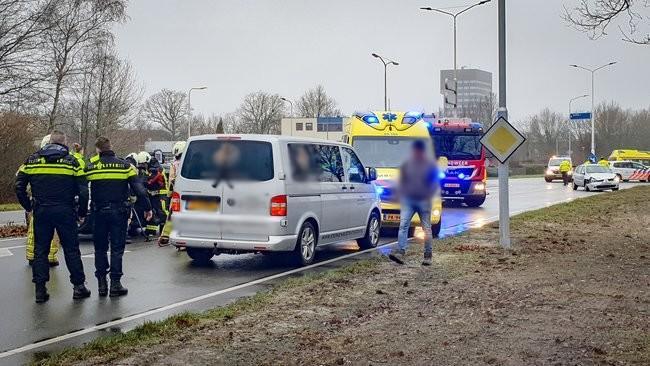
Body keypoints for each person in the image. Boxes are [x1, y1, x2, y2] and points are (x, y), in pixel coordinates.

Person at [15, 130, 91, 303]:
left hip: (41, 210)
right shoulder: (72, 162)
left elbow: (18, 186)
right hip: (65, 210)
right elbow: (83, 190)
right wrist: (81, 212)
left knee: (40, 250)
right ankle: (79, 287)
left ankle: (40, 290)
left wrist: (28, 206)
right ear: (64, 142)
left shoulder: (32, 160)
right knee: (71, 250)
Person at [85, 137, 152, 297]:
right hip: (119, 212)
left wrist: (81, 210)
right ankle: (115, 284)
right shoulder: (125, 166)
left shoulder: (91, 168)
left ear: (98, 150)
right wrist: (148, 208)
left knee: (100, 249)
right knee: (117, 248)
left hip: (98, 212)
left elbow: (80, 187)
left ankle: (102, 284)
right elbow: (139, 189)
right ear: (111, 147)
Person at [389, 140, 439, 266]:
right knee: (403, 225)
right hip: (409, 199)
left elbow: (434, 182)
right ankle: (401, 251)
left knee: (426, 228)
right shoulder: (408, 164)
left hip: (423, 200)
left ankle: (428, 255)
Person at [25, 134, 60, 267]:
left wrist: (28, 201)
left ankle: (32, 256)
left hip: (37, 202)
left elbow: (21, 180)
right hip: (55, 203)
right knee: (52, 232)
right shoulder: (60, 160)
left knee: (34, 231)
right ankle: (50, 257)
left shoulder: (33, 160)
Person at [159, 141, 185, 246]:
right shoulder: (190, 162)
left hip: (177, 194)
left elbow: (171, 181)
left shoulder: (174, 165)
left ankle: (165, 235)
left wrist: (169, 196)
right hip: (191, 193)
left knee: (172, 214)